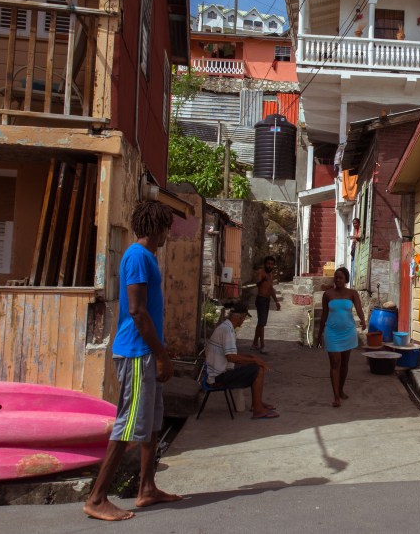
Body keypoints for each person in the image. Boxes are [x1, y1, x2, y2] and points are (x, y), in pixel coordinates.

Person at [83, 201, 182, 521]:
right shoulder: (138, 256)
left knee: (152, 423)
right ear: (157, 227)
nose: (168, 233)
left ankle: (147, 488)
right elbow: (138, 312)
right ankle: (97, 498)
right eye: (166, 227)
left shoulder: (146, 257)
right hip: (138, 353)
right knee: (128, 425)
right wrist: (162, 354)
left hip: (145, 353)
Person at [206, 303, 278, 419]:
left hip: (219, 372)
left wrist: (251, 357)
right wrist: (254, 360)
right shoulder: (227, 330)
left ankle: (256, 403)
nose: (243, 320)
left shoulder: (226, 327)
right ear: (239, 317)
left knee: (254, 365)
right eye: (244, 317)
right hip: (218, 376)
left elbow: (231, 355)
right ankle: (258, 409)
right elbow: (231, 357)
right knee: (257, 369)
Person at [316, 266, 366, 408]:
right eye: (336, 277)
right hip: (332, 332)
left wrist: (363, 321)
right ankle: (336, 396)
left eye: (340, 278)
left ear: (346, 280)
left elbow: (359, 309)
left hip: (348, 332)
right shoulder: (328, 294)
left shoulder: (352, 293)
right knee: (335, 363)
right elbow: (324, 314)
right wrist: (320, 334)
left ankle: (341, 389)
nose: (337, 280)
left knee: (344, 364)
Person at [252, 256, 280, 354]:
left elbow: (271, 289)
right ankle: (262, 345)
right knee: (262, 323)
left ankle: (255, 343)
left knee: (260, 322)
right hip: (261, 300)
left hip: (267, 300)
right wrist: (261, 280)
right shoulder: (261, 272)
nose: (270, 265)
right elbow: (257, 283)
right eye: (268, 263)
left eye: (272, 264)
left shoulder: (271, 275)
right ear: (265, 264)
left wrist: (276, 301)